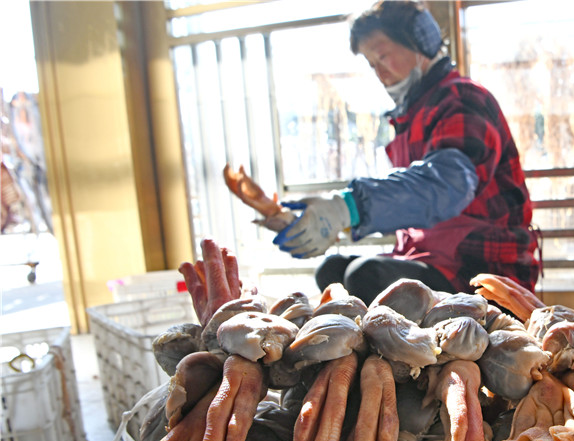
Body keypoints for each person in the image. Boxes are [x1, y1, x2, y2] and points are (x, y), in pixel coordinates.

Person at [225, 0, 539, 305]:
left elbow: (447, 185)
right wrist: (331, 222)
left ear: (421, 43)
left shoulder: (463, 100)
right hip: (430, 257)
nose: (379, 72)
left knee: (366, 276)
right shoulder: (411, 115)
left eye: (383, 56)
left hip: (481, 270)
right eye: (371, 64)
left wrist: (347, 209)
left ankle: (418, 352)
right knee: (332, 273)